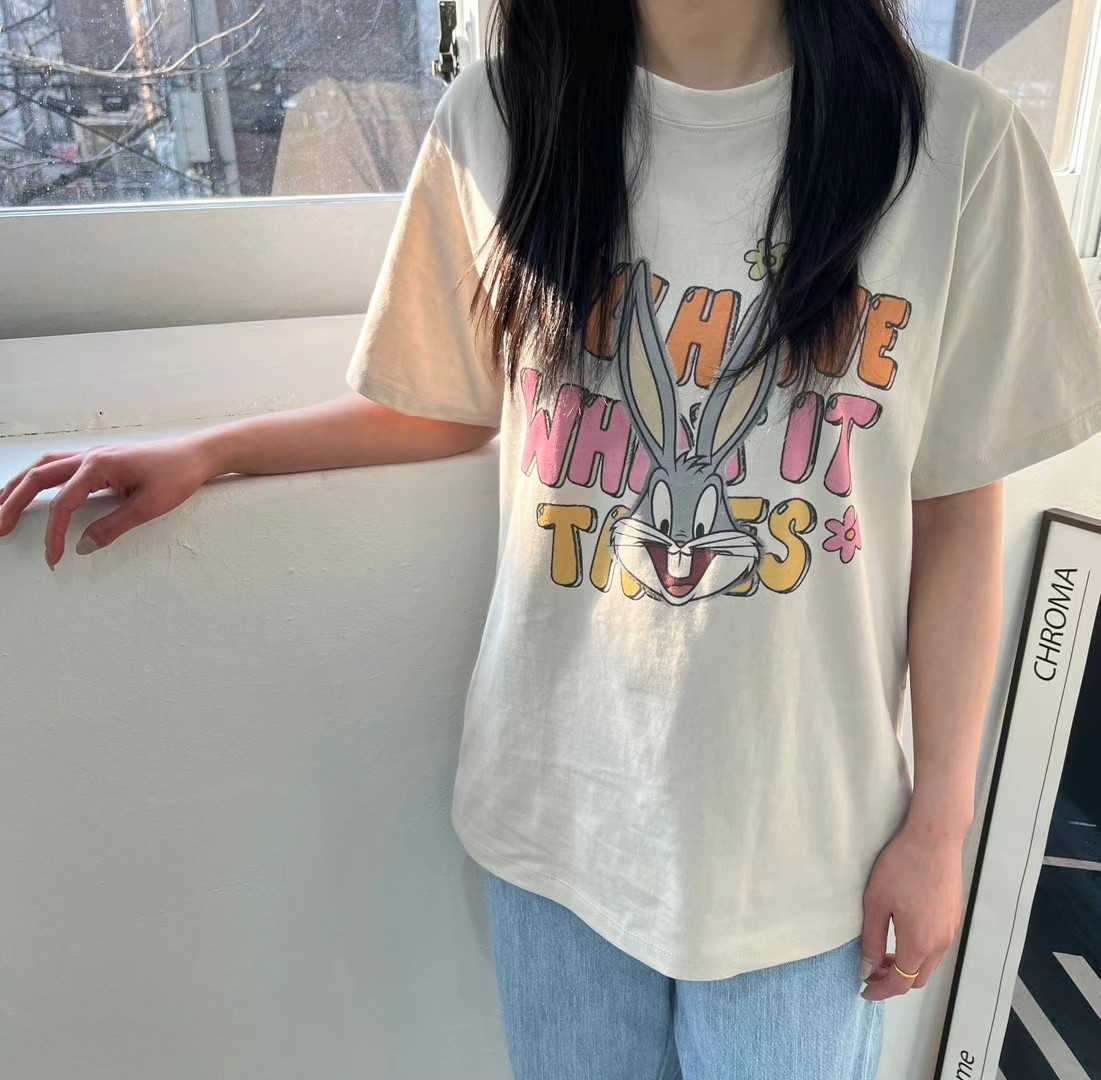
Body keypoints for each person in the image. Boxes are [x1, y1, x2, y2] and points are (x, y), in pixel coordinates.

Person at [4, 1, 1101, 1077]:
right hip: (559, 821)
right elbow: (445, 401)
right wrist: (213, 453)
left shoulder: (958, 146)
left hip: (807, 852)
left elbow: (956, 506)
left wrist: (939, 826)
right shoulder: (501, 119)